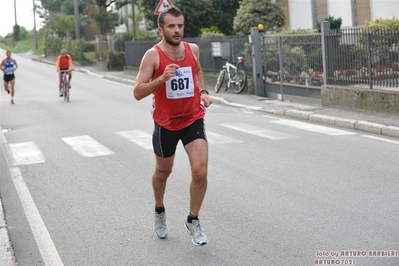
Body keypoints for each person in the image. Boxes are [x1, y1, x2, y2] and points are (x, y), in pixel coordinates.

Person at [133, 6, 212, 246]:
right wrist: (162, 78)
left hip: (193, 118)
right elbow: (137, 92)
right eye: (171, 26)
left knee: (200, 172)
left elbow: (197, 71)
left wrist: (203, 91)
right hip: (165, 124)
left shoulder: (192, 49)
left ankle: (193, 220)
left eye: (180, 26)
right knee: (163, 173)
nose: (177, 30)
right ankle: (159, 210)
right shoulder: (153, 55)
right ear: (161, 29)